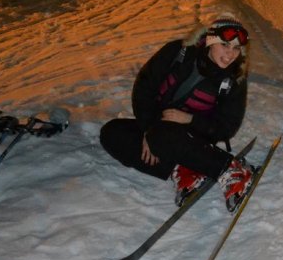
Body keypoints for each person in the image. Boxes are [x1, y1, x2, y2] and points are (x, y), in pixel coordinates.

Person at [100, 16, 254, 212]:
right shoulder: (178, 52)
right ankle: (184, 169)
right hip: (158, 127)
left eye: (236, 48)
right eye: (224, 45)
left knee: (161, 136)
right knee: (112, 133)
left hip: (194, 136)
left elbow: (227, 127)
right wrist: (148, 128)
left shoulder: (234, 80)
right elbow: (144, 88)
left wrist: (190, 119)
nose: (230, 54)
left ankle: (230, 169)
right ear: (210, 40)